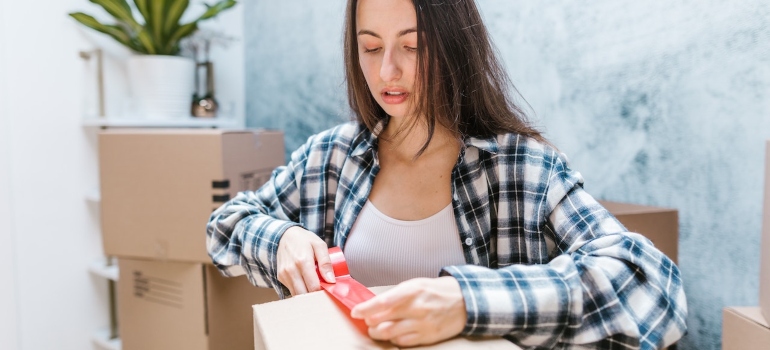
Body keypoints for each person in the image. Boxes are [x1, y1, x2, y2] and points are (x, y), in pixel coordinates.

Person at [206, 0, 687, 348]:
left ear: (454, 46)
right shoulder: (332, 156)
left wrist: (466, 301)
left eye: (411, 46)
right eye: (370, 48)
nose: (387, 71)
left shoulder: (520, 168)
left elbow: (651, 286)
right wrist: (282, 238)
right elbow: (225, 225)